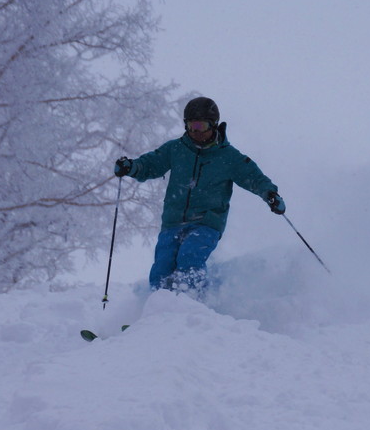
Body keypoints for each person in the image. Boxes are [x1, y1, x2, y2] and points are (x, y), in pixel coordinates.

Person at [114, 97, 285, 294]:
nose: (196, 131)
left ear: (213, 125)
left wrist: (270, 194)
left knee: (189, 257)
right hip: (173, 222)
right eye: (191, 125)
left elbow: (254, 177)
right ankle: (158, 314)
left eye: (201, 125)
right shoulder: (175, 149)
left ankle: (193, 305)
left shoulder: (228, 157)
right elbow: (150, 165)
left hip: (207, 222)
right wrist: (131, 167)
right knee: (162, 268)